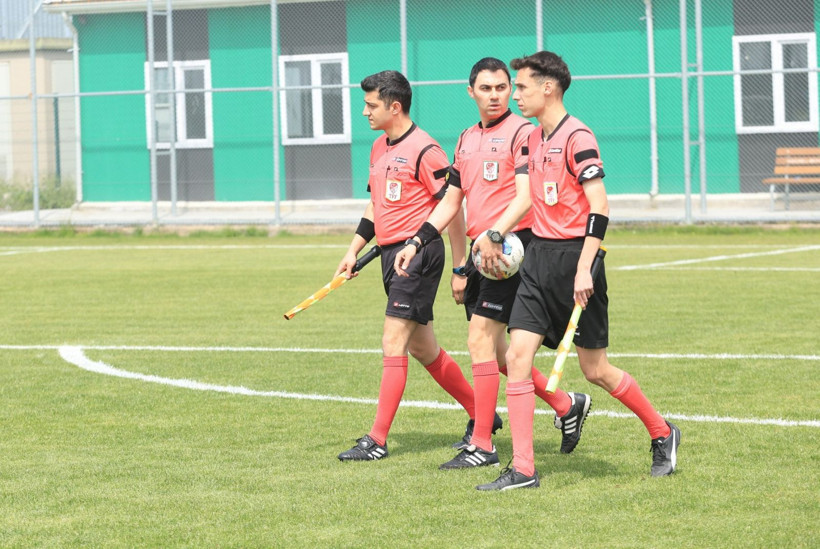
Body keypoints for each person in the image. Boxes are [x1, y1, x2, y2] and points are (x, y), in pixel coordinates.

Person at [476, 51, 681, 490]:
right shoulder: (532, 138)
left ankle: (662, 431)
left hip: (577, 262)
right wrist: (495, 232)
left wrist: (585, 268)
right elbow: (530, 197)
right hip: (538, 261)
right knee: (515, 356)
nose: (516, 94)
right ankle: (524, 469)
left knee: (596, 371)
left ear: (548, 87)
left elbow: (600, 207)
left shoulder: (579, 136)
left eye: (523, 86)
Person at [395, 58, 592, 471]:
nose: (497, 95)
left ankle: (482, 443)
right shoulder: (465, 139)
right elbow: (452, 200)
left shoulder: (524, 132)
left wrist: (498, 236)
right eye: (486, 89)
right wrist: (424, 243)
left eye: (503, 87)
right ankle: (566, 404)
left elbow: (527, 196)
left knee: (480, 340)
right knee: (500, 354)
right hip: (481, 255)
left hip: (513, 250)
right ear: (471, 92)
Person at [336, 70, 478, 462]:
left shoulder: (425, 149)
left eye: (370, 105)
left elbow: (452, 205)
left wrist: (460, 264)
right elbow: (375, 204)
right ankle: (481, 413)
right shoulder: (378, 147)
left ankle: (377, 440)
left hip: (417, 255)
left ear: (394, 106)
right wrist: (354, 249)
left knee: (392, 340)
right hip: (388, 254)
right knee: (423, 347)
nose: (364, 111)